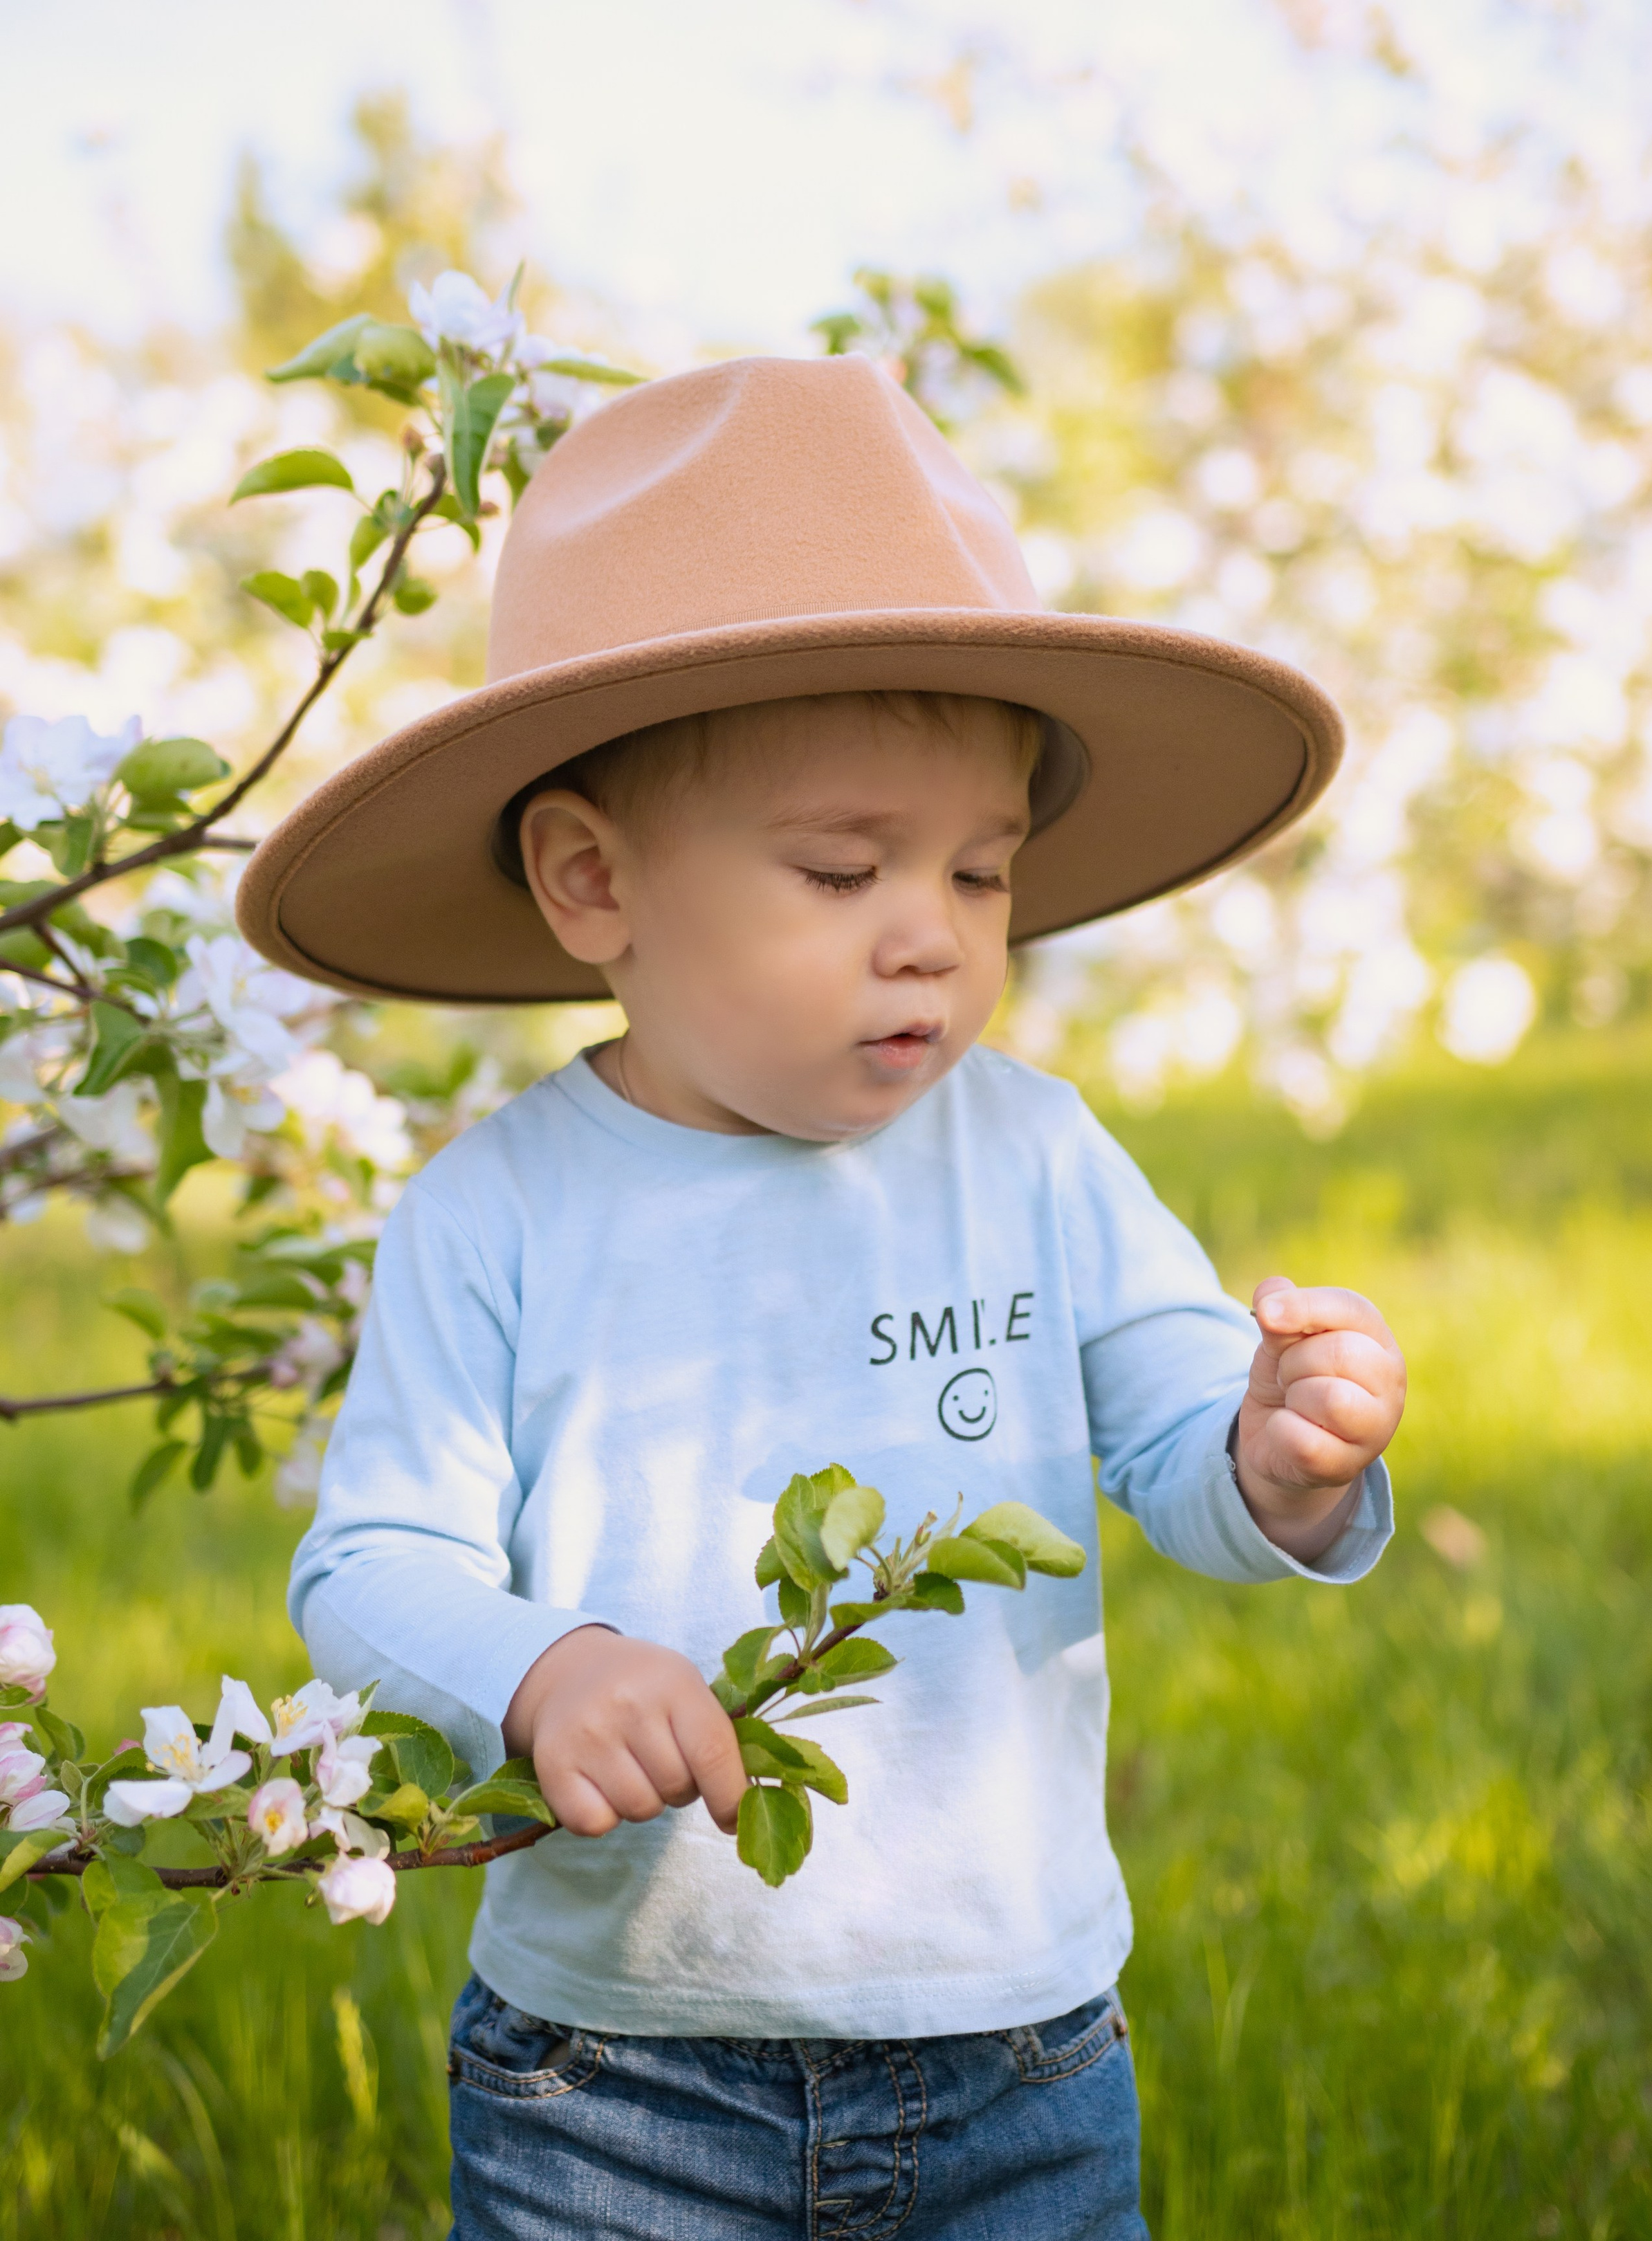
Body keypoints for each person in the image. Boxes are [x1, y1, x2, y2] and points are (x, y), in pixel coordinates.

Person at [246, 353, 1405, 2240]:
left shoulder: (1033, 1156)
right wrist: (538, 1669)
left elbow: (1181, 1440)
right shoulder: (499, 1214)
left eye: (983, 873)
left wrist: (1277, 1460)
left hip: (1022, 2053)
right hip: (615, 2084)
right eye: (843, 867)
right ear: (593, 881)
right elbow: (370, 1565)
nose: (931, 934)